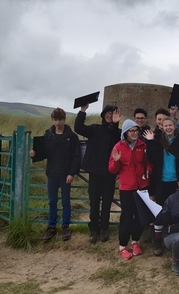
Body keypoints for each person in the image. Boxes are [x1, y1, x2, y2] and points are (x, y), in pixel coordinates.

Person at [30, 108, 81, 242]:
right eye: (55, 120)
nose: (58, 122)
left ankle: (65, 226)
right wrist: (34, 154)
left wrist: (71, 173)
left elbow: (76, 156)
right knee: (52, 202)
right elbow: (44, 152)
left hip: (65, 175)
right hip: (52, 173)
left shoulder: (72, 136)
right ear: (52, 120)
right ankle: (51, 227)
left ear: (64, 119)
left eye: (60, 120)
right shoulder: (48, 135)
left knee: (65, 202)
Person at [143, 116, 179, 256]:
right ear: (162, 127)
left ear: (174, 126)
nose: (168, 127)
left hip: (176, 181)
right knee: (159, 211)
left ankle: (175, 238)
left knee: (177, 210)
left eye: (170, 125)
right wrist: (151, 142)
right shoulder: (158, 141)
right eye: (166, 126)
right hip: (161, 181)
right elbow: (151, 158)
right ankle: (157, 240)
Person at [74, 103, 122, 244]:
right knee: (94, 203)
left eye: (113, 113)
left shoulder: (117, 133)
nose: (110, 115)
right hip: (95, 172)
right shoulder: (95, 129)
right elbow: (78, 128)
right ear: (103, 115)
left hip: (109, 174)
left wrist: (114, 124)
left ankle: (104, 229)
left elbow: (119, 146)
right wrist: (83, 111)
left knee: (107, 203)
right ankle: (94, 230)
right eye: (108, 112)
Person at [108, 120, 152, 260]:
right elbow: (112, 169)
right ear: (125, 132)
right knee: (126, 217)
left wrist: (148, 171)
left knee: (140, 216)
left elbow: (149, 163)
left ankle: (135, 241)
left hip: (142, 186)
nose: (135, 133)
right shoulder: (118, 147)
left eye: (136, 131)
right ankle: (122, 245)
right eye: (132, 131)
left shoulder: (143, 145)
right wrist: (116, 161)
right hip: (127, 187)